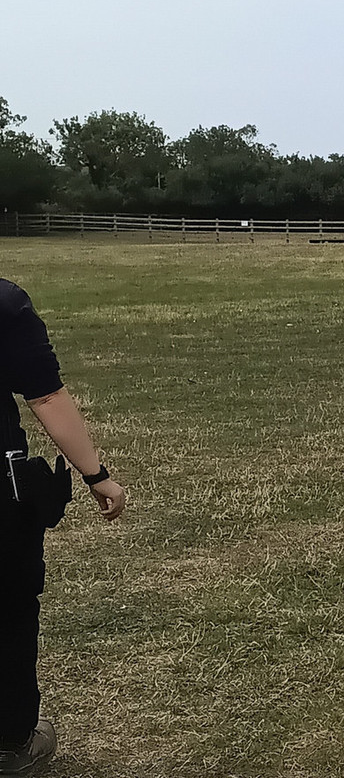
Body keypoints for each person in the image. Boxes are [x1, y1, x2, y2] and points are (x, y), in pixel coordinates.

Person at [0, 277, 126, 776]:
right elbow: (46, 396)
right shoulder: (5, 304)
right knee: (7, 611)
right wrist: (97, 474)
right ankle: (10, 743)